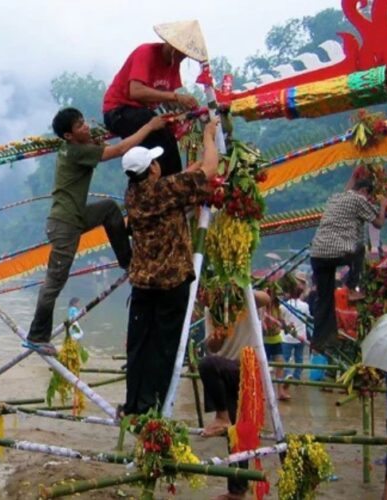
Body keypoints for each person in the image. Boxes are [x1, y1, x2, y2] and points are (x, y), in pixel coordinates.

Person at [24, 108, 169, 356]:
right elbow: (119, 150)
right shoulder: (77, 151)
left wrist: (96, 135)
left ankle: (128, 261)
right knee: (54, 282)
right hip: (65, 223)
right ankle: (37, 336)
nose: (86, 127)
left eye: (84, 121)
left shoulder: (76, 146)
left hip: (76, 216)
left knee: (110, 210)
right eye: (79, 125)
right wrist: (150, 126)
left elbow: (101, 142)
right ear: (69, 136)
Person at [121, 117, 219, 416]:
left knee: (139, 347)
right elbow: (210, 170)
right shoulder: (165, 190)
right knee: (163, 347)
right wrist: (209, 138)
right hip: (170, 283)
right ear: (152, 169)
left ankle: (135, 405)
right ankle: (154, 407)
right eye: (154, 163)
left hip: (142, 283)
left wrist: (188, 171)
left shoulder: (133, 194)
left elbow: (179, 182)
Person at [103, 22, 204, 177]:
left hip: (142, 114)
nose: (183, 58)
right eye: (182, 53)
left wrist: (186, 107)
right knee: (159, 140)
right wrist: (177, 97)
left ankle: (172, 180)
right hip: (119, 111)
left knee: (167, 138)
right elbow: (136, 91)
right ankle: (168, 184)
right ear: (172, 47)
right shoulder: (146, 52)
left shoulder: (173, 64)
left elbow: (166, 97)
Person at [199, 290, 271, 500]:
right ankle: (236, 491)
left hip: (246, 367)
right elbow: (211, 346)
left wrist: (239, 289)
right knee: (235, 433)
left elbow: (266, 298)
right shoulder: (211, 309)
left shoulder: (245, 299)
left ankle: (221, 416)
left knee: (206, 364)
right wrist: (217, 336)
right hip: (224, 370)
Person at [310, 174, 387, 350]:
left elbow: (349, 188)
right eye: (369, 196)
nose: (369, 200)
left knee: (324, 299)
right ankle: (352, 286)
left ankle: (320, 340)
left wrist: (354, 175)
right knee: (360, 247)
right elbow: (378, 223)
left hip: (317, 254)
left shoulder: (337, 197)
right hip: (337, 252)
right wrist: (382, 206)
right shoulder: (359, 200)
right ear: (363, 191)